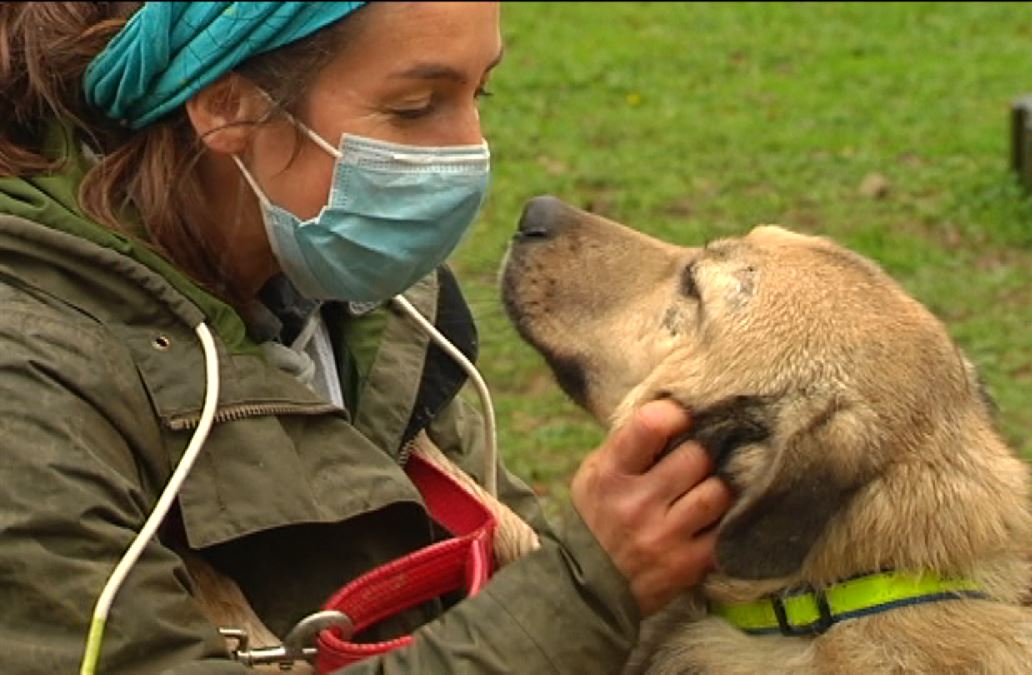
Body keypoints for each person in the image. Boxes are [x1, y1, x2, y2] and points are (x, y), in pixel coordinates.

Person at [0, 2, 732, 673]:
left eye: (481, 94)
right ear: (226, 106)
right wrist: (589, 588)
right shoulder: (27, 387)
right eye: (416, 107)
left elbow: (477, 599)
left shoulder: (370, 299)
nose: (469, 155)